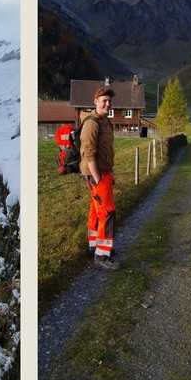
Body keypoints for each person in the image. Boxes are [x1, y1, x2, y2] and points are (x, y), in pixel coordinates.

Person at [80, 86, 117, 270]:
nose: (107, 103)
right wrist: (98, 178)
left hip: (104, 172)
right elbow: (89, 153)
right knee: (107, 211)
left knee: (96, 209)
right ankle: (102, 255)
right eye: (104, 100)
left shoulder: (105, 122)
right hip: (97, 174)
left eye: (109, 101)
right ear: (95, 101)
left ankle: (94, 245)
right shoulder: (92, 123)